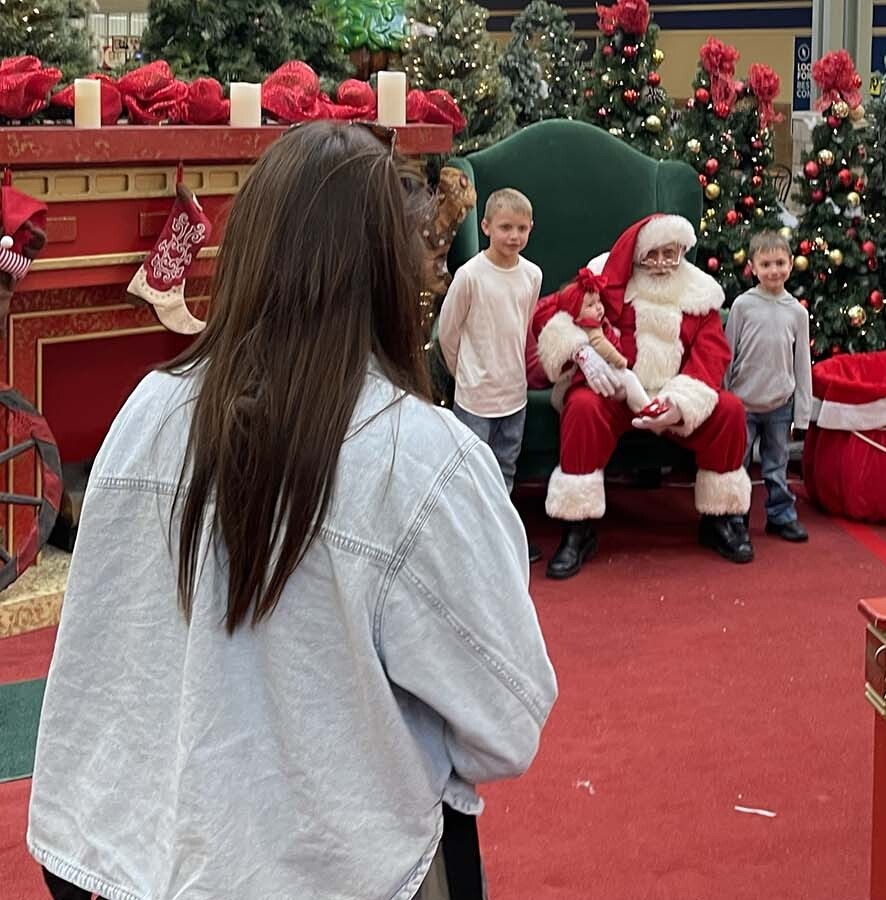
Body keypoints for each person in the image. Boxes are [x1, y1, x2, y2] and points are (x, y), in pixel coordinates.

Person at [27, 121, 558, 900]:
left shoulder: (144, 410)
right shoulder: (419, 456)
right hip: (328, 870)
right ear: (388, 269)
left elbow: (107, 655)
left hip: (117, 855)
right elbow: (507, 721)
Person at [531, 213, 753, 579]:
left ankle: (720, 519)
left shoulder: (699, 294)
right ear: (638, 254)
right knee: (583, 406)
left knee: (729, 410)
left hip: (674, 394)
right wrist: (581, 354)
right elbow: (549, 316)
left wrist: (678, 404)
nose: (664, 263)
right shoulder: (608, 280)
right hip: (616, 389)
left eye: (673, 253)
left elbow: (711, 357)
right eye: (655, 254)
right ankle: (578, 527)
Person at [437, 187, 544, 561]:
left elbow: (524, 326)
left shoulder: (532, 275)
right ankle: (469, 544)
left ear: (531, 229)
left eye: (521, 228)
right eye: (504, 227)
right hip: (475, 397)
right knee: (472, 471)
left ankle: (501, 537)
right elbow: (448, 332)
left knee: (505, 468)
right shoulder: (470, 276)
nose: (513, 236)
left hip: (513, 394)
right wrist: (463, 374)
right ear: (485, 227)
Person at [726, 229, 812, 542]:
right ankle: (735, 517)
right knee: (738, 464)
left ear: (791, 264)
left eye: (780, 263)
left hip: (779, 405)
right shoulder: (742, 306)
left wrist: (801, 415)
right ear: (752, 267)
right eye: (766, 264)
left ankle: (780, 515)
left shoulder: (797, 313)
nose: (774, 270)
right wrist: (724, 399)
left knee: (776, 466)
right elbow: (728, 354)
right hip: (743, 403)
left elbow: (802, 364)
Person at [547, 268, 655, 414]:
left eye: (598, 301)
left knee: (627, 384)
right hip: (594, 373)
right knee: (629, 378)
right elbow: (601, 345)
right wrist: (619, 361)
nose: (598, 307)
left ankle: (640, 407)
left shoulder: (596, 324)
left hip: (600, 372)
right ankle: (647, 409)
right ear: (575, 314)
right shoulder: (589, 328)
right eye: (590, 305)